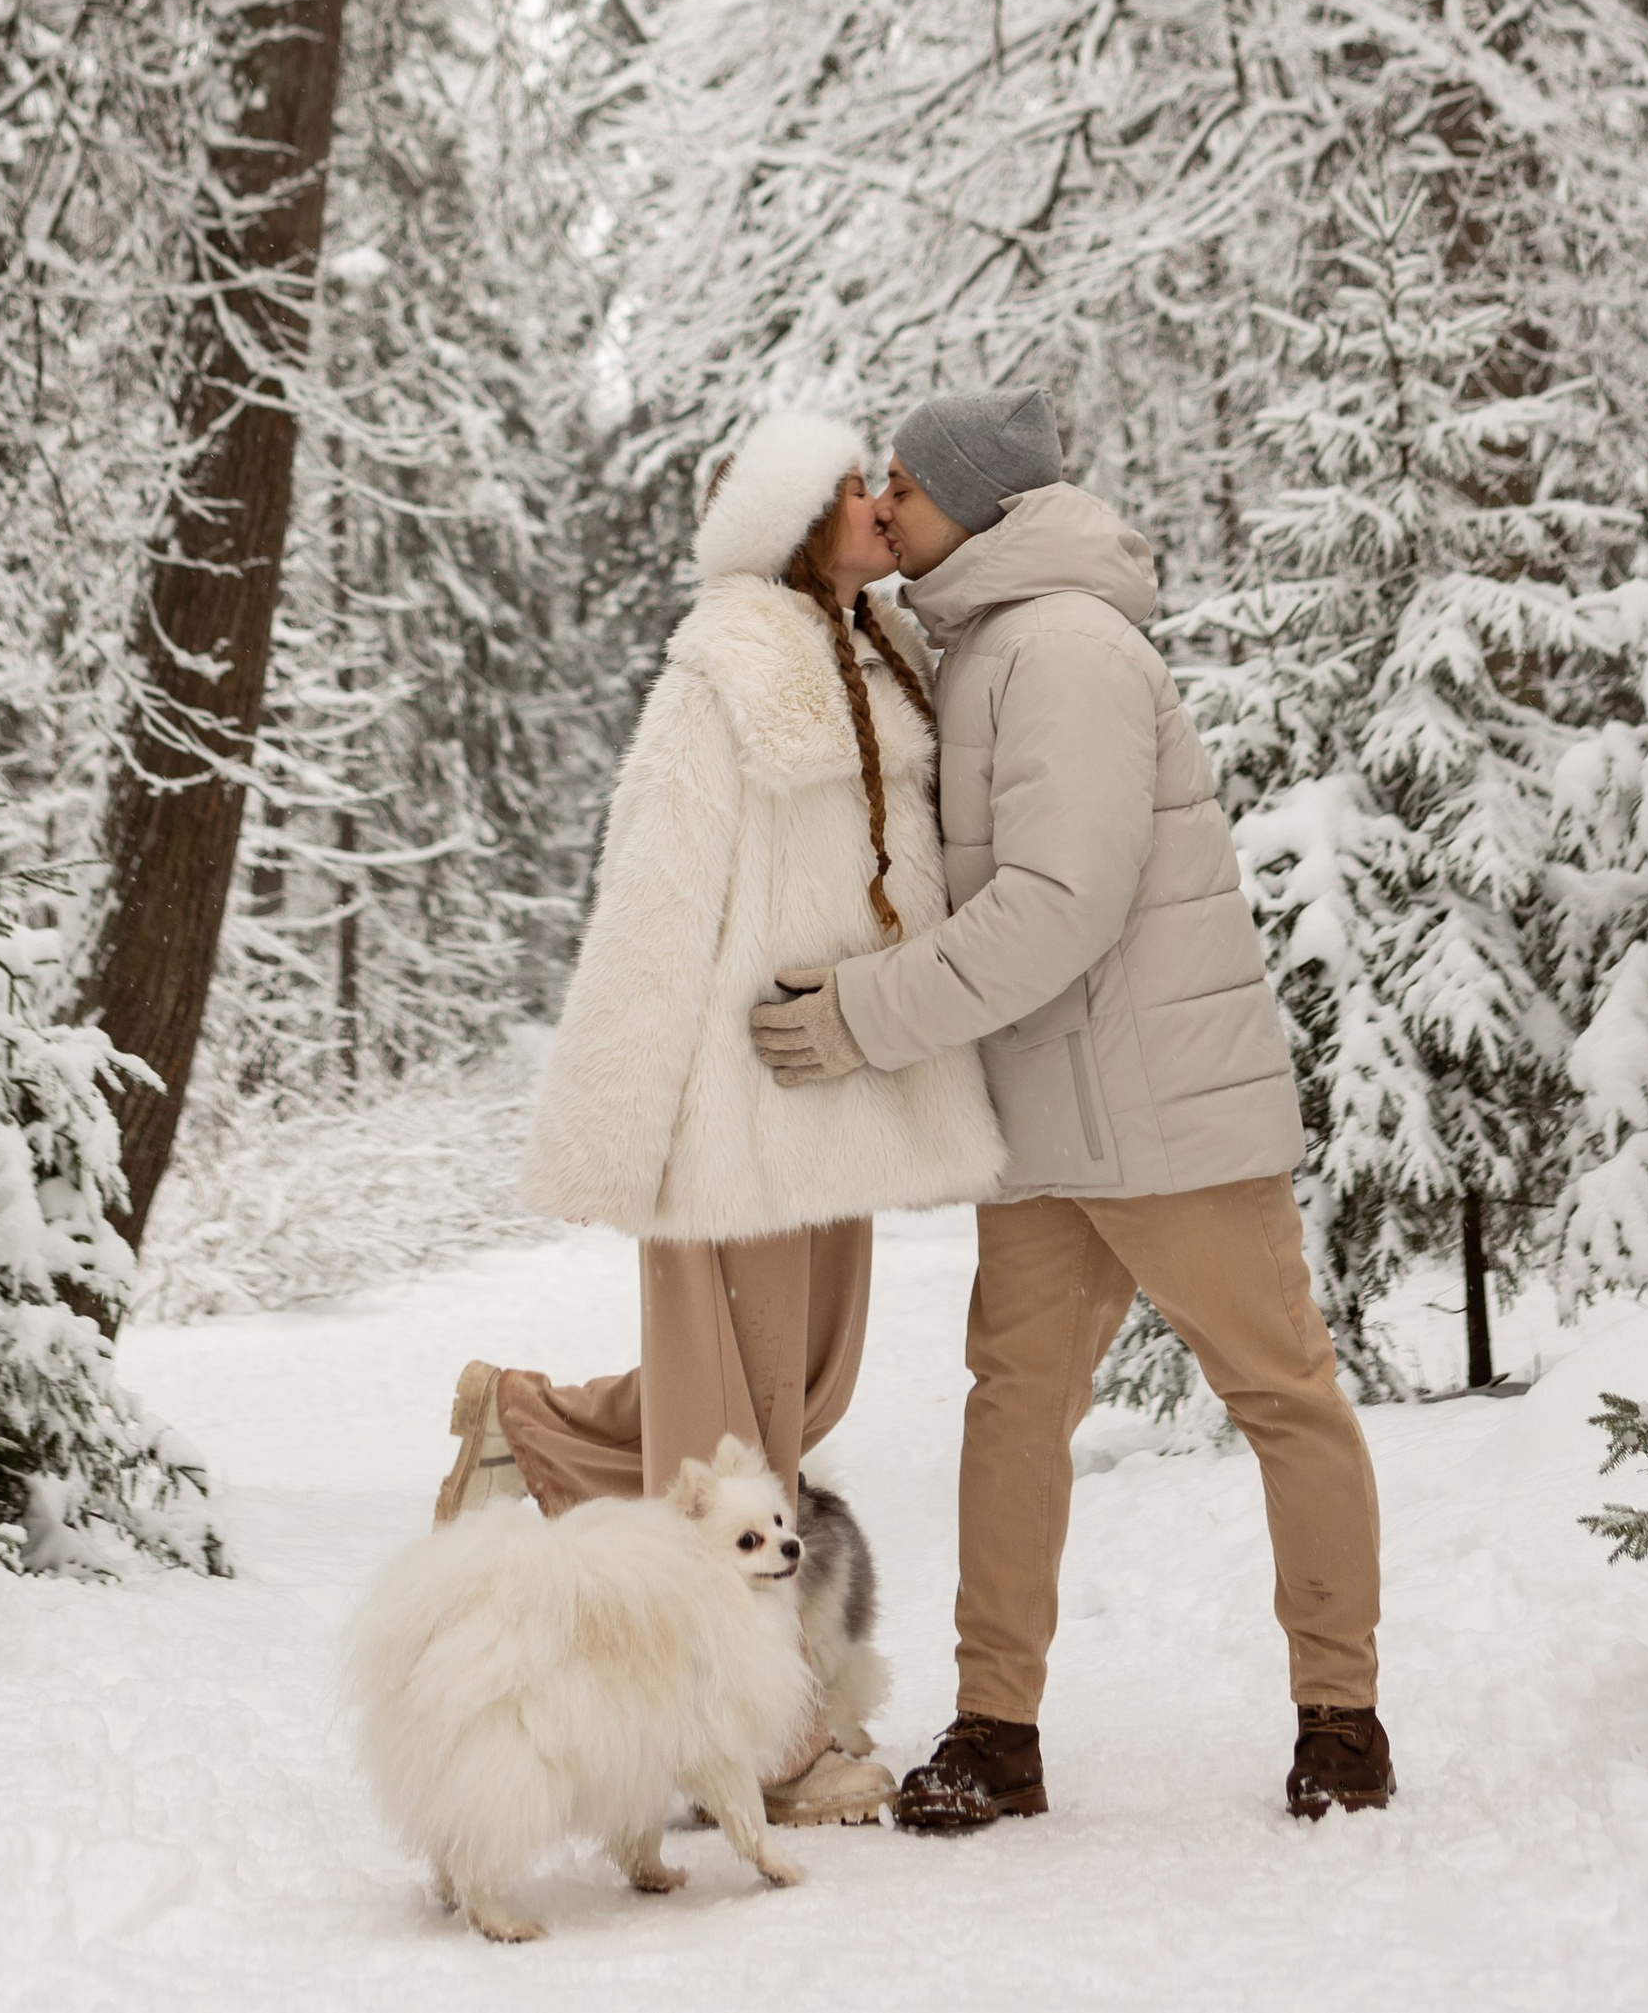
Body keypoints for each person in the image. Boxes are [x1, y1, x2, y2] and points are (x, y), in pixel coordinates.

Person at [750, 383, 1391, 1828]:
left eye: (906, 480)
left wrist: (858, 1017)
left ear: (978, 503)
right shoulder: (980, 638)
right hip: (1046, 1124)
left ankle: (1342, 1714)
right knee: (1014, 1413)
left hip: (1169, 1114)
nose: (887, 499)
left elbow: (1059, 906)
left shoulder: (1067, 650)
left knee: (1281, 1396)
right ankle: (997, 1730)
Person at [435, 408, 1006, 1825]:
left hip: (838, 1089)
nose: (885, 501)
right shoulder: (723, 667)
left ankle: (526, 1418)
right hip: (736, 1102)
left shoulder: (875, 645)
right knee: (739, 1444)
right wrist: (625, 1128)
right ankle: (760, 1744)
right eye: (856, 487)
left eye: (887, 482)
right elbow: (653, 899)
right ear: (795, 518)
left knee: (796, 1396)